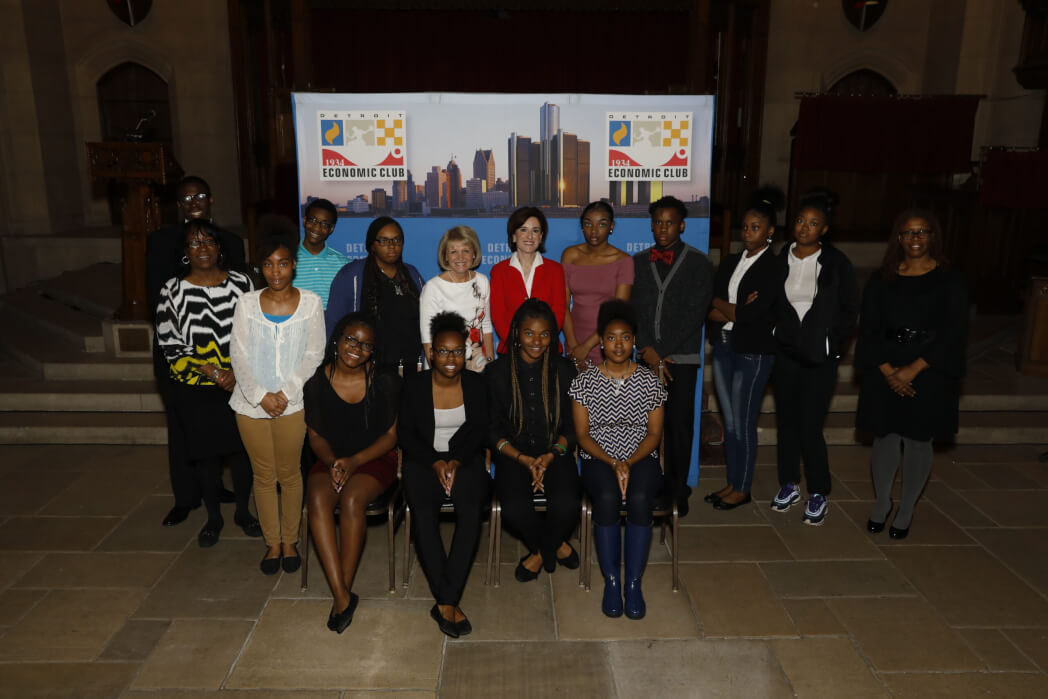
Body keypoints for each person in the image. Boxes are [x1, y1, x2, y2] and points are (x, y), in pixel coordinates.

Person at [855, 210, 967, 539]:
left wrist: (913, 369)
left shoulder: (950, 279)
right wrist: (889, 371)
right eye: (908, 232)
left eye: (922, 232)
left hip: (930, 367)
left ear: (933, 236)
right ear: (898, 238)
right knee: (886, 437)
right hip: (885, 364)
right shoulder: (882, 279)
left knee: (919, 440)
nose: (915, 238)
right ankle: (882, 502)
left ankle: (906, 508)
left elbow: (953, 331)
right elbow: (869, 328)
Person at [146, 175, 246, 526]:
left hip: (228, 358)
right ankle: (186, 499)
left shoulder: (231, 241)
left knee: (227, 434)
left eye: (200, 195)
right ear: (178, 205)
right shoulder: (160, 241)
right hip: (179, 354)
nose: (194, 202)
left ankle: (218, 490)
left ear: (211, 199)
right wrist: (187, 355)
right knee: (184, 431)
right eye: (186, 198)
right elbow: (154, 299)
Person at [155, 220, 257, 547]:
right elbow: (170, 343)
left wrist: (236, 373)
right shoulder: (172, 290)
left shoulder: (242, 282)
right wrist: (214, 372)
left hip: (240, 383)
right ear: (185, 252)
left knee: (242, 453)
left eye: (209, 241)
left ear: (219, 247)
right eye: (195, 243)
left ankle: (243, 512)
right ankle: (214, 518)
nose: (203, 248)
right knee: (206, 458)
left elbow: (256, 332)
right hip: (195, 388)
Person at [230, 233, 325, 575]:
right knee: (264, 475)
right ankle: (273, 543)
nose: (275, 272)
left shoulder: (311, 303)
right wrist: (260, 395)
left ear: (293, 265)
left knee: (289, 473)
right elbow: (238, 354)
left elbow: (314, 354)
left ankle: (291, 541)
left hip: (292, 403)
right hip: (249, 405)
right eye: (268, 265)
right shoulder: (246, 303)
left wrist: (284, 393)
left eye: (282, 264)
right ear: (260, 268)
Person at [569, 300, 667, 620]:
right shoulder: (584, 382)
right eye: (611, 337)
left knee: (639, 498)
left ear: (634, 341)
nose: (619, 344)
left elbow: (654, 434)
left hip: (642, 455)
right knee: (608, 497)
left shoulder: (650, 382)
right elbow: (583, 435)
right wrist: (613, 462)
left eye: (625, 337)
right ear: (601, 342)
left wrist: (628, 461)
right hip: (598, 456)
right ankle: (612, 582)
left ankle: (633, 584)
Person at [304, 313, 400, 633]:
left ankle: (341, 595)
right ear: (337, 339)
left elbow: (391, 436)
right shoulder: (317, 382)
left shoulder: (385, 380)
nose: (357, 349)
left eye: (366, 345)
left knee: (352, 499)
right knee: (318, 498)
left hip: (373, 458)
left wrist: (354, 461)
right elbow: (315, 436)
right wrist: (334, 462)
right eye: (351, 340)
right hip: (331, 458)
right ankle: (342, 594)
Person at [770, 188, 859, 525]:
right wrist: (775, 332)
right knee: (786, 422)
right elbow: (770, 302)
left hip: (819, 358)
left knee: (810, 424)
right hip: (785, 354)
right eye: (800, 221)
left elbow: (850, 309)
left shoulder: (837, 263)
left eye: (813, 223)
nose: (804, 227)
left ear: (824, 229)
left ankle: (819, 491)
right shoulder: (781, 258)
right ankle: (789, 483)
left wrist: (830, 341)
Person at [399, 312, 490, 638]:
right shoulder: (414, 385)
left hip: (464, 460)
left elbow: (480, 430)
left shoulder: (477, 384)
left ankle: (445, 600)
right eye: (443, 351)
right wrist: (436, 462)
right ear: (431, 353)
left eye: (457, 351)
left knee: (471, 512)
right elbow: (405, 434)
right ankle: (448, 599)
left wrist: (456, 461)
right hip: (423, 461)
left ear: (465, 352)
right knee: (423, 515)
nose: (451, 359)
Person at [487, 299, 580, 582]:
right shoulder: (496, 373)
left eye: (544, 334)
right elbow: (490, 430)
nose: (537, 341)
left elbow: (574, 427)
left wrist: (550, 455)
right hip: (513, 455)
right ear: (517, 332)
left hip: (555, 452)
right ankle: (555, 547)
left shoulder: (565, 371)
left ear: (553, 336)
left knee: (568, 505)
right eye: (529, 333)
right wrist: (522, 459)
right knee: (514, 508)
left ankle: (539, 554)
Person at [705, 187, 786, 510]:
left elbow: (751, 315)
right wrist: (730, 307)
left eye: (756, 227)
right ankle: (733, 481)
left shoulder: (774, 268)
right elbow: (710, 308)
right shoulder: (730, 261)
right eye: (746, 226)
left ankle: (743, 488)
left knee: (743, 423)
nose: (748, 232)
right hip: (724, 347)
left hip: (752, 353)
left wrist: (727, 307)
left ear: (769, 232)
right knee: (729, 423)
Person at [631, 196, 713, 517]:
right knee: (647, 426)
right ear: (651, 225)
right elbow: (634, 311)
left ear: (682, 225)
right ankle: (650, 485)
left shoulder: (699, 263)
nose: (663, 228)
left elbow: (695, 315)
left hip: (682, 360)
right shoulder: (638, 261)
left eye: (670, 223)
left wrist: (662, 353)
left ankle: (677, 490)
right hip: (645, 358)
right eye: (658, 222)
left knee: (678, 427)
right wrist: (647, 350)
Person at [325, 216, 425, 374]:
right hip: (368, 370)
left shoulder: (412, 274)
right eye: (384, 241)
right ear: (372, 245)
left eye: (396, 240)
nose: (391, 245)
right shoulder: (352, 275)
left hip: (410, 366)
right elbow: (333, 324)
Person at [562, 201, 634, 369]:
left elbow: (618, 311)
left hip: (607, 342)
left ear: (611, 226)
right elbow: (563, 304)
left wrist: (586, 347)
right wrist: (573, 346)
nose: (594, 231)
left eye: (601, 224)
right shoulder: (570, 255)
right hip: (574, 339)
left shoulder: (624, 261)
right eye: (588, 224)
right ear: (582, 226)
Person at [490, 207, 567, 355]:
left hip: (547, 351)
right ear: (514, 235)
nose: (530, 236)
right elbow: (498, 316)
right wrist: (518, 345)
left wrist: (542, 342)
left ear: (541, 236)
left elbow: (558, 313)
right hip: (511, 351)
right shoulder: (499, 271)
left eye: (535, 230)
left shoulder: (555, 270)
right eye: (523, 230)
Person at [419, 226, 494, 372]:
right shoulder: (433, 288)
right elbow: (428, 339)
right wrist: (437, 376)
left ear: (474, 254)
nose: (460, 257)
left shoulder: (482, 281)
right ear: (446, 256)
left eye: (466, 251)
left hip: (478, 365)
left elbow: (485, 324)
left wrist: (491, 364)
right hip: (444, 367)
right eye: (453, 252)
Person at [295, 198, 348, 309]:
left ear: (331, 229)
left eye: (324, 224)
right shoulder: (289, 259)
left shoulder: (343, 264)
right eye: (313, 220)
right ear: (304, 221)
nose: (317, 228)